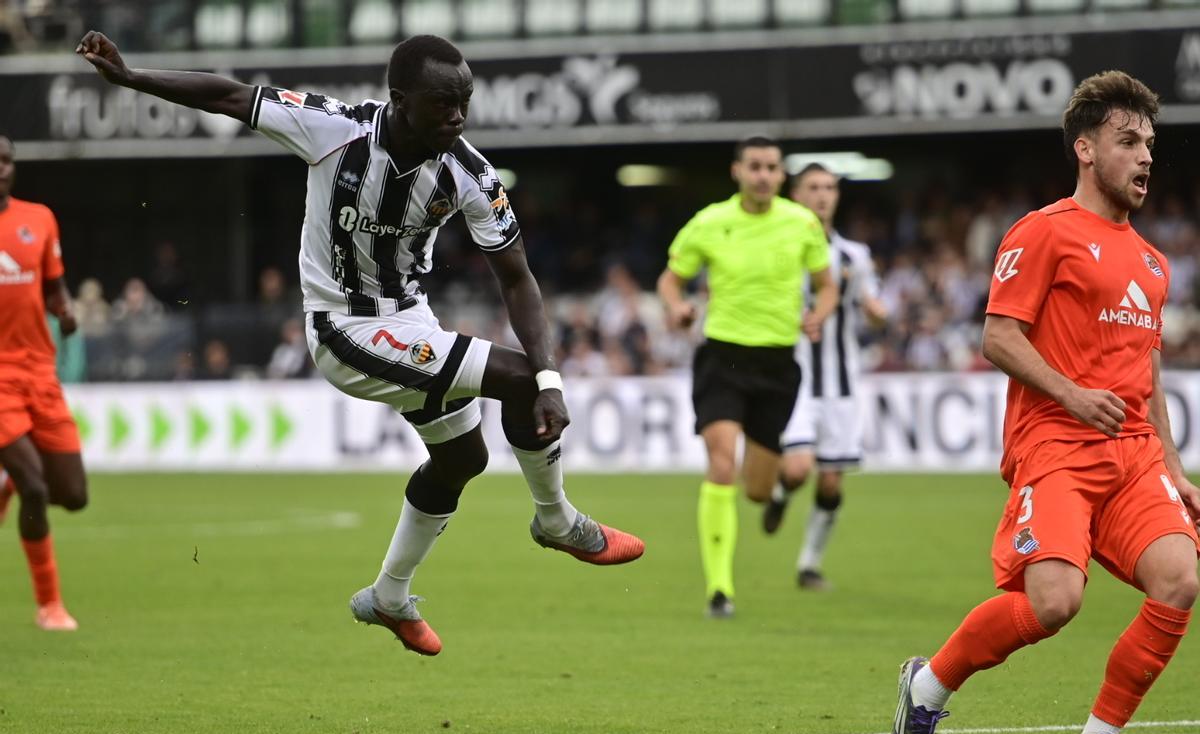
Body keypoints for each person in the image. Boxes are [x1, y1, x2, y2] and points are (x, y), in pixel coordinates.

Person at [77, 32, 644, 656]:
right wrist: (132, 79)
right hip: (342, 329)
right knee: (515, 378)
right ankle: (557, 520)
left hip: (411, 322)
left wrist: (554, 379)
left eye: (466, 103)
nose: (457, 116)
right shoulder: (332, 128)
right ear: (400, 100)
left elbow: (518, 278)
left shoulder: (469, 175)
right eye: (442, 104)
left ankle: (389, 597)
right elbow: (231, 96)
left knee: (463, 461)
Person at [892, 71, 1200, 734]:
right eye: (1128, 142)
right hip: (1057, 445)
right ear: (1086, 150)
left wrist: (1176, 470)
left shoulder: (1154, 264)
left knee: (1180, 578)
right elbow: (998, 336)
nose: (1146, 156)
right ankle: (928, 686)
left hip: (1135, 456)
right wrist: (1072, 395)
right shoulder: (1043, 232)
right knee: (1054, 603)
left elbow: (1147, 373)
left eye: (1150, 142)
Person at [657, 136, 836, 618]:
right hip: (723, 359)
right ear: (737, 171)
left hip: (778, 365)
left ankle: (775, 491)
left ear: (781, 176)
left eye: (771, 167)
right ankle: (720, 589)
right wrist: (677, 307)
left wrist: (819, 313)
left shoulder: (801, 224)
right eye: (754, 166)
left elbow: (826, 285)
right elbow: (671, 279)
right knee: (720, 464)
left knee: (755, 488)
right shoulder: (710, 222)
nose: (762, 175)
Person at [761, 164, 888, 590]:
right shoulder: (777, 248)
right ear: (796, 194)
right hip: (794, 377)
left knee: (831, 480)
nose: (823, 195)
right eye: (813, 187)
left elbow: (873, 312)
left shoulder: (855, 256)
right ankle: (780, 492)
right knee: (797, 469)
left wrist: (876, 314)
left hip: (841, 382)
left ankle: (809, 565)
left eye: (830, 188)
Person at [0, 135, 87, 631]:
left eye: (8, 161)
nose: (2, 169)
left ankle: (11, 476)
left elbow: (52, 283)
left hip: (39, 371)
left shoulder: (39, 219)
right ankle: (50, 605)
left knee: (72, 495)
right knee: (37, 488)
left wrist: (64, 308)